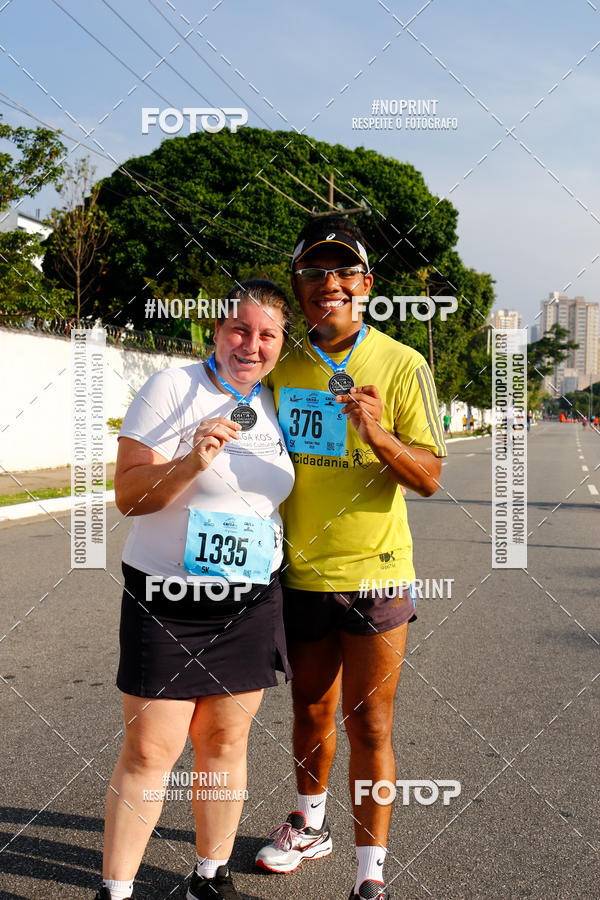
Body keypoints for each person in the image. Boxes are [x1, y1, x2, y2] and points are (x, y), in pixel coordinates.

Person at [255, 217, 446, 900]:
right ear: (300, 284)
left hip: (376, 571)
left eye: (342, 272)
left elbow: (428, 475)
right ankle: (310, 826)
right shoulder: (279, 359)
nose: (327, 283)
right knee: (309, 710)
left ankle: (371, 873)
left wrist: (377, 432)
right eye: (312, 272)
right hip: (299, 572)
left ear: (366, 284)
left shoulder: (402, 364)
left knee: (369, 722)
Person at [94, 280, 295, 900]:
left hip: (249, 600)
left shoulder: (279, 403)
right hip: (169, 600)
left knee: (225, 740)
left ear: (281, 344)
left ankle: (210, 876)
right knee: (152, 749)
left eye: (267, 335)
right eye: (240, 329)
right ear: (216, 329)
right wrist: (190, 461)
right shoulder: (172, 389)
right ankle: (116, 891)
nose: (250, 345)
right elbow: (129, 497)